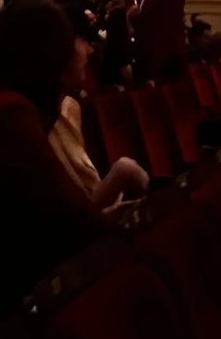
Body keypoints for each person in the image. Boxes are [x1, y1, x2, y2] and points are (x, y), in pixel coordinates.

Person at [0, 0, 106, 320]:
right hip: (0, 308)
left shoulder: (17, 108)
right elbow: (78, 219)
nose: (77, 53)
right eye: (67, 44)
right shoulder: (10, 113)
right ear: (49, 55)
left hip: (19, 281)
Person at [51, 30, 150, 209]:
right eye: (82, 41)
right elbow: (72, 216)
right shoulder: (31, 121)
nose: (89, 51)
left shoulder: (68, 107)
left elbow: (88, 194)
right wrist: (122, 172)